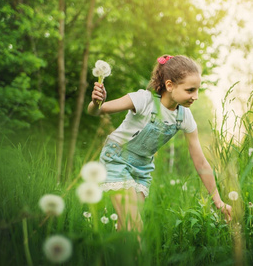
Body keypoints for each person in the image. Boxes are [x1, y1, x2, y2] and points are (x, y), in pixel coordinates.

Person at [87, 55, 232, 235]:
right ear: (170, 85)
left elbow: (201, 163)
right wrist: (96, 102)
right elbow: (96, 111)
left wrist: (218, 201)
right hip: (116, 159)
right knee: (134, 224)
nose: (195, 96)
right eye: (190, 90)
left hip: (142, 168)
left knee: (126, 226)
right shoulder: (144, 100)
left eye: (197, 90)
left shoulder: (184, 117)